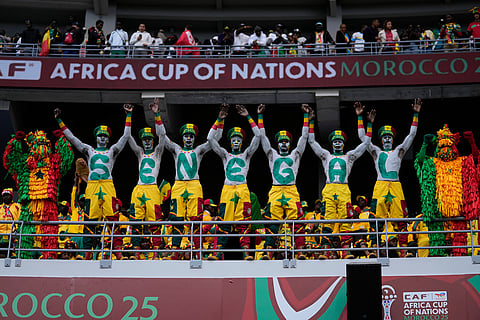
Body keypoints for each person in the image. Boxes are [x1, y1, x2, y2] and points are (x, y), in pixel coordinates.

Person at [54, 104, 133, 259]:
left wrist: (128, 115)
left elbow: (125, 137)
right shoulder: (89, 150)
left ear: (108, 138)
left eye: (105, 136)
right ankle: (88, 254)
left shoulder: (112, 151)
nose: (102, 138)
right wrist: (60, 121)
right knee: (89, 220)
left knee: (113, 219)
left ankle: (117, 252)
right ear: (96, 138)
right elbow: (72, 138)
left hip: (108, 186)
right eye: (100, 135)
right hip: (92, 187)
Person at [356, 99, 421, 249]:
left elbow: (411, 136)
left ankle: (403, 248)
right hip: (380, 185)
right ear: (381, 139)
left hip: (396, 185)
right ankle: (374, 246)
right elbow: (362, 138)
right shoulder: (376, 152)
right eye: (384, 137)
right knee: (376, 218)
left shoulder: (399, 151)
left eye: (389, 137)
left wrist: (416, 115)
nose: (387, 139)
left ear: (393, 139)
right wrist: (363, 120)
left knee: (400, 219)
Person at [3, 130, 74, 259]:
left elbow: (66, 159)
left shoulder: (54, 163)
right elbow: (10, 160)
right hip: (28, 205)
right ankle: (23, 259)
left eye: (44, 143)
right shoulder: (24, 164)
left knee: (49, 233)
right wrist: (15, 142)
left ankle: (49, 259)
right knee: (25, 233)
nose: (41, 145)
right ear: (32, 146)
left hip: (48, 205)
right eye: (38, 142)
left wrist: (63, 140)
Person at [163, 108, 221, 260]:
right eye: (186, 136)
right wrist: (157, 115)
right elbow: (162, 136)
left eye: (191, 136)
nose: (188, 138)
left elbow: (214, 140)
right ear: (182, 138)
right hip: (179, 185)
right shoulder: (176, 149)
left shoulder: (198, 150)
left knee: (196, 219)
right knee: (176, 219)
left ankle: (198, 253)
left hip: (194, 185)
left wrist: (220, 120)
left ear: (194, 138)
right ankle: (175, 253)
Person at [308, 109, 371, 248]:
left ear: (344, 143)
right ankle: (325, 249)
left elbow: (365, 144)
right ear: (331, 143)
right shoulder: (326, 156)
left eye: (340, 141)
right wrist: (310, 120)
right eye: (335, 141)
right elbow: (311, 141)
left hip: (343, 188)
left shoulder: (348, 156)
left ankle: (345, 251)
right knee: (327, 221)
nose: (337, 143)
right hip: (329, 188)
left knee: (346, 221)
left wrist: (363, 120)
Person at [207, 104, 261, 260]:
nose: (236, 141)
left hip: (243, 189)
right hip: (228, 189)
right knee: (223, 222)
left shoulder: (246, 154)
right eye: (233, 139)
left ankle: (246, 254)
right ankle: (217, 253)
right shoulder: (225, 155)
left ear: (242, 141)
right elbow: (210, 138)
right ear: (230, 142)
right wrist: (219, 119)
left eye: (239, 139)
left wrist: (248, 117)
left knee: (243, 222)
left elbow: (258, 137)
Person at [259, 104, 313, 260]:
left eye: (286, 141)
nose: (283, 143)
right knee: (272, 222)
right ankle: (268, 253)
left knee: (297, 222)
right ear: (277, 144)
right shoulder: (272, 155)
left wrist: (305, 117)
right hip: (276, 190)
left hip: (291, 190)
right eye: (281, 141)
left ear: (290, 144)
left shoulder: (295, 155)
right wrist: (260, 117)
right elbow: (263, 138)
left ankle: (301, 252)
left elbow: (304, 138)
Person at [415, 126, 480, 257]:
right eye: (442, 146)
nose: (446, 149)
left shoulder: (461, 161)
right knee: (437, 243)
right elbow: (420, 160)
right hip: (438, 212)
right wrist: (424, 144)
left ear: (454, 147)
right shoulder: (433, 162)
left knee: (460, 245)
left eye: (449, 146)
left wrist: (472, 142)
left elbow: (475, 158)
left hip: (458, 212)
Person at [127, 98, 165, 239]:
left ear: (153, 141)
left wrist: (157, 115)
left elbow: (162, 135)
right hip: (139, 188)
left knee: (155, 221)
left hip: (152, 188)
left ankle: (155, 252)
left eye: (149, 139)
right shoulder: (139, 153)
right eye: (145, 139)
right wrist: (128, 115)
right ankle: (135, 251)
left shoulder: (157, 152)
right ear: (142, 141)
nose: (147, 141)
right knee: (135, 221)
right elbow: (127, 137)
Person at [0, 189, 20, 258]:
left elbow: (20, 218)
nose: (6, 197)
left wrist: (17, 230)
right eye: (4, 196)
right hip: (1, 234)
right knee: (2, 253)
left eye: (7, 195)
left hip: (13, 234)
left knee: (13, 254)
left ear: (11, 197)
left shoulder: (17, 207)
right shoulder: (0, 208)